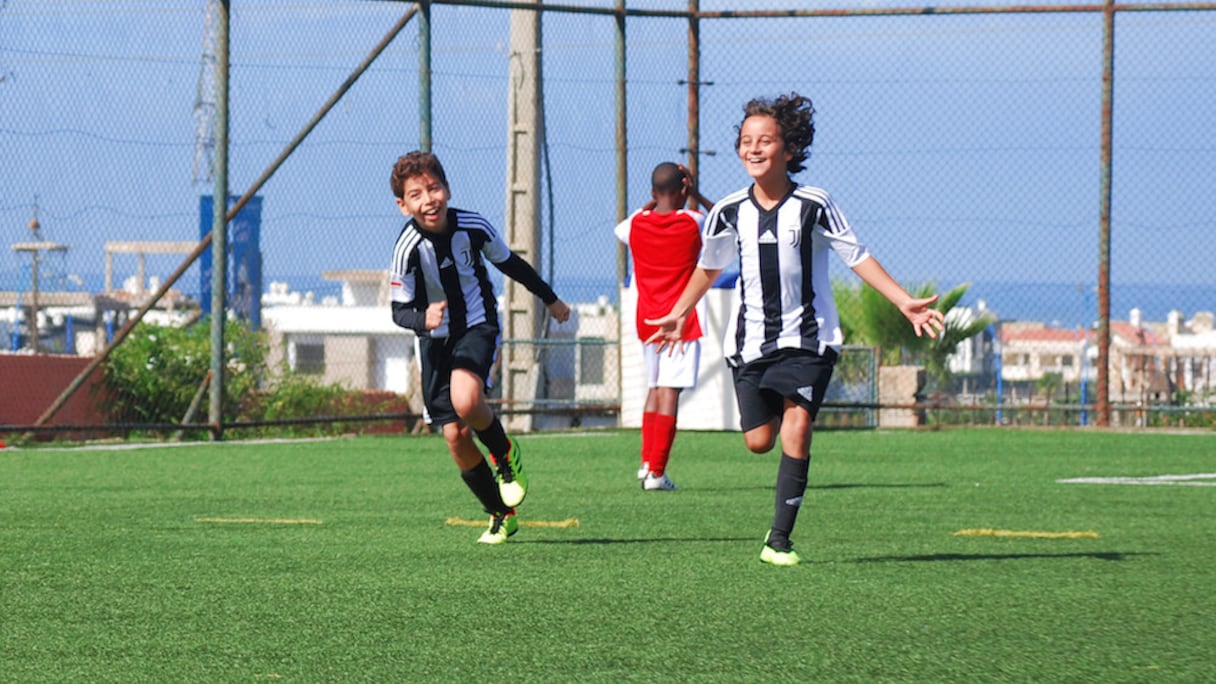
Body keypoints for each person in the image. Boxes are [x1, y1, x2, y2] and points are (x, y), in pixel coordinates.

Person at [646, 94, 945, 566]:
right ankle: (777, 487)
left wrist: (903, 300)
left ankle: (778, 540)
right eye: (746, 141)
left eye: (765, 140)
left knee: (798, 427)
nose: (754, 148)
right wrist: (681, 310)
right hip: (748, 344)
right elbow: (708, 267)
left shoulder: (814, 204)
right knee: (758, 441)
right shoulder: (727, 211)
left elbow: (857, 255)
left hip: (809, 338)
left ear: (788, 149)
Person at [388, 150, 571, 545]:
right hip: (434, 342)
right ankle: (501, 514)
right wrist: (424, 320)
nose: (429, 199)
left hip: (477, 325)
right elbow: (398, 311)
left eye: (434, 188)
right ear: (404, 206)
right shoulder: (406, 249)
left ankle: (505, 454)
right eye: (416, 194)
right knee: (454, 436)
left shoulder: (474, 227)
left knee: (468, 400)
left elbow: (512, 266)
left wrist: (550, 299)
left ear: (447, 189)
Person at [614, 162, 714, 491]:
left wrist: (651, 205)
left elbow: (627, 226)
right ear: (683, 189)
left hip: (646, 320)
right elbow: (725, 221)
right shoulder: (694, 221)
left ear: (653, 193)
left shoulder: (635, 224)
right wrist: (696, 192)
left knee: (655, 389)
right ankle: (657, 471)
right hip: (679, 321)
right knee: (670, 392)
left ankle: (646, 464)